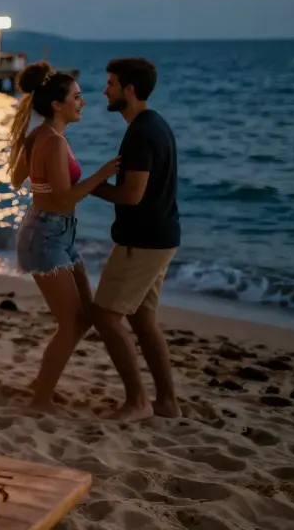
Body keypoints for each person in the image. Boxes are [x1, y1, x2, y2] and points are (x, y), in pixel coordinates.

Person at [6, 63, 119, 412]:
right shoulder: (51, 142)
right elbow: (64, 198)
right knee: (71, 324)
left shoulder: (41, 137)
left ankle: (43, 383)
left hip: (56, 232)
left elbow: (17, 180)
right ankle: (41, 399)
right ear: (56, 104)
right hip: (46, 234)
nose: (82, 102)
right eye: (76, 97)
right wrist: (102, 174)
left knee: (84, 318)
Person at [90, 58, 181, 422]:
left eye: (110, 83)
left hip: (143, 242)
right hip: (162, 236)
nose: (105, 90)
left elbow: (132, 195)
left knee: (105, 316)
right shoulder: (155, 123)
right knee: (143, 320)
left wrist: (92, 187)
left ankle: (138, 401)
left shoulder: (142, 132)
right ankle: (167, 402)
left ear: (128, 89)